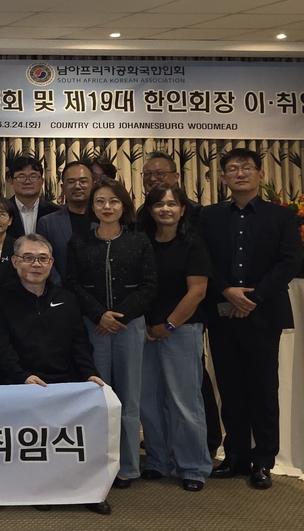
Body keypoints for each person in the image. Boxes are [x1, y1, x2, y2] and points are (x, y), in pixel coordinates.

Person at [199, 148, 304, 490]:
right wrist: (227, 290)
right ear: (223, 178)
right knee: (229, 389)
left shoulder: (281, 216)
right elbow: (202, 259)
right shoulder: (210, 216)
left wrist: (253, 298)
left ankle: (264, 460)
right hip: (222, 314)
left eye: (246, 168)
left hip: (263, 314)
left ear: (261, 175)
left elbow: (290, 261)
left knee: (263, 389)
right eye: (232, 169)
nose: (240, 173)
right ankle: (236, 456)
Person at [0, 233, 110, 516]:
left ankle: (91, 489)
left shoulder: (66, 298)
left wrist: (90, 375)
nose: (36, 264)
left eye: (42, 258)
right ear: (15, 262)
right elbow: (0, 346)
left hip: (63, 381)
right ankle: (42, 487)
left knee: (91, 416)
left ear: (52, 263)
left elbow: (79, 344)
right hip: (20, 382)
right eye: (28, 258)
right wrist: (23, 376)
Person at [66, 178, 157, 490]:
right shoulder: (79, 241)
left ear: (124, 205)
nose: (107, 207)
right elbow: (73, 283)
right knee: (98, 397)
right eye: (100, 201)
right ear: (92, 207)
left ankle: (128, 466)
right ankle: (98, 464)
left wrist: (119, 316)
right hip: (93, 327)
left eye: (114, 201)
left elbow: (149, 286)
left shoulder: (139, 241)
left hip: (130, 326)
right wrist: (99, 315)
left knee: (129, 398)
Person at [136, 183, 212, 492]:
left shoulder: (193, 244)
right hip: (144, 331)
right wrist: (146, 325)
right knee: (148, 400)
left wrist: (167, 326)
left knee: (184, 401)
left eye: (172, 204)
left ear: (182, 209)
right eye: (159, 204)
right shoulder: (141, 242)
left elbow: (198, 292)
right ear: (150, 210)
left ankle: (193, 466)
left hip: (181, 329)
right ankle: (157, 461)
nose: (165, 209)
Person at [37, 161, 95, 283]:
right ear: (63, 187)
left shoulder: (107, 219)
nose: (77, 186)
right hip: (61, 290)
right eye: (71, 182)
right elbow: (44, 260)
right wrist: (60, 290)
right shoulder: (47, 223)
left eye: (83, 181)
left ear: (93, 185)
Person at [136, 152, 203, 228]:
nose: (152, 178)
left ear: (176, 177)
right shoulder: (142, 211)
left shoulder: (195, 211)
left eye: (159, 173)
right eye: (147, 174)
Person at [6, 155, 59, 238]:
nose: (27, 182)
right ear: (11, 182)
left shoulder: (55, 212)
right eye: (21, 177)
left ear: (42, 182)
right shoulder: (2, 211)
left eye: (33, 176)